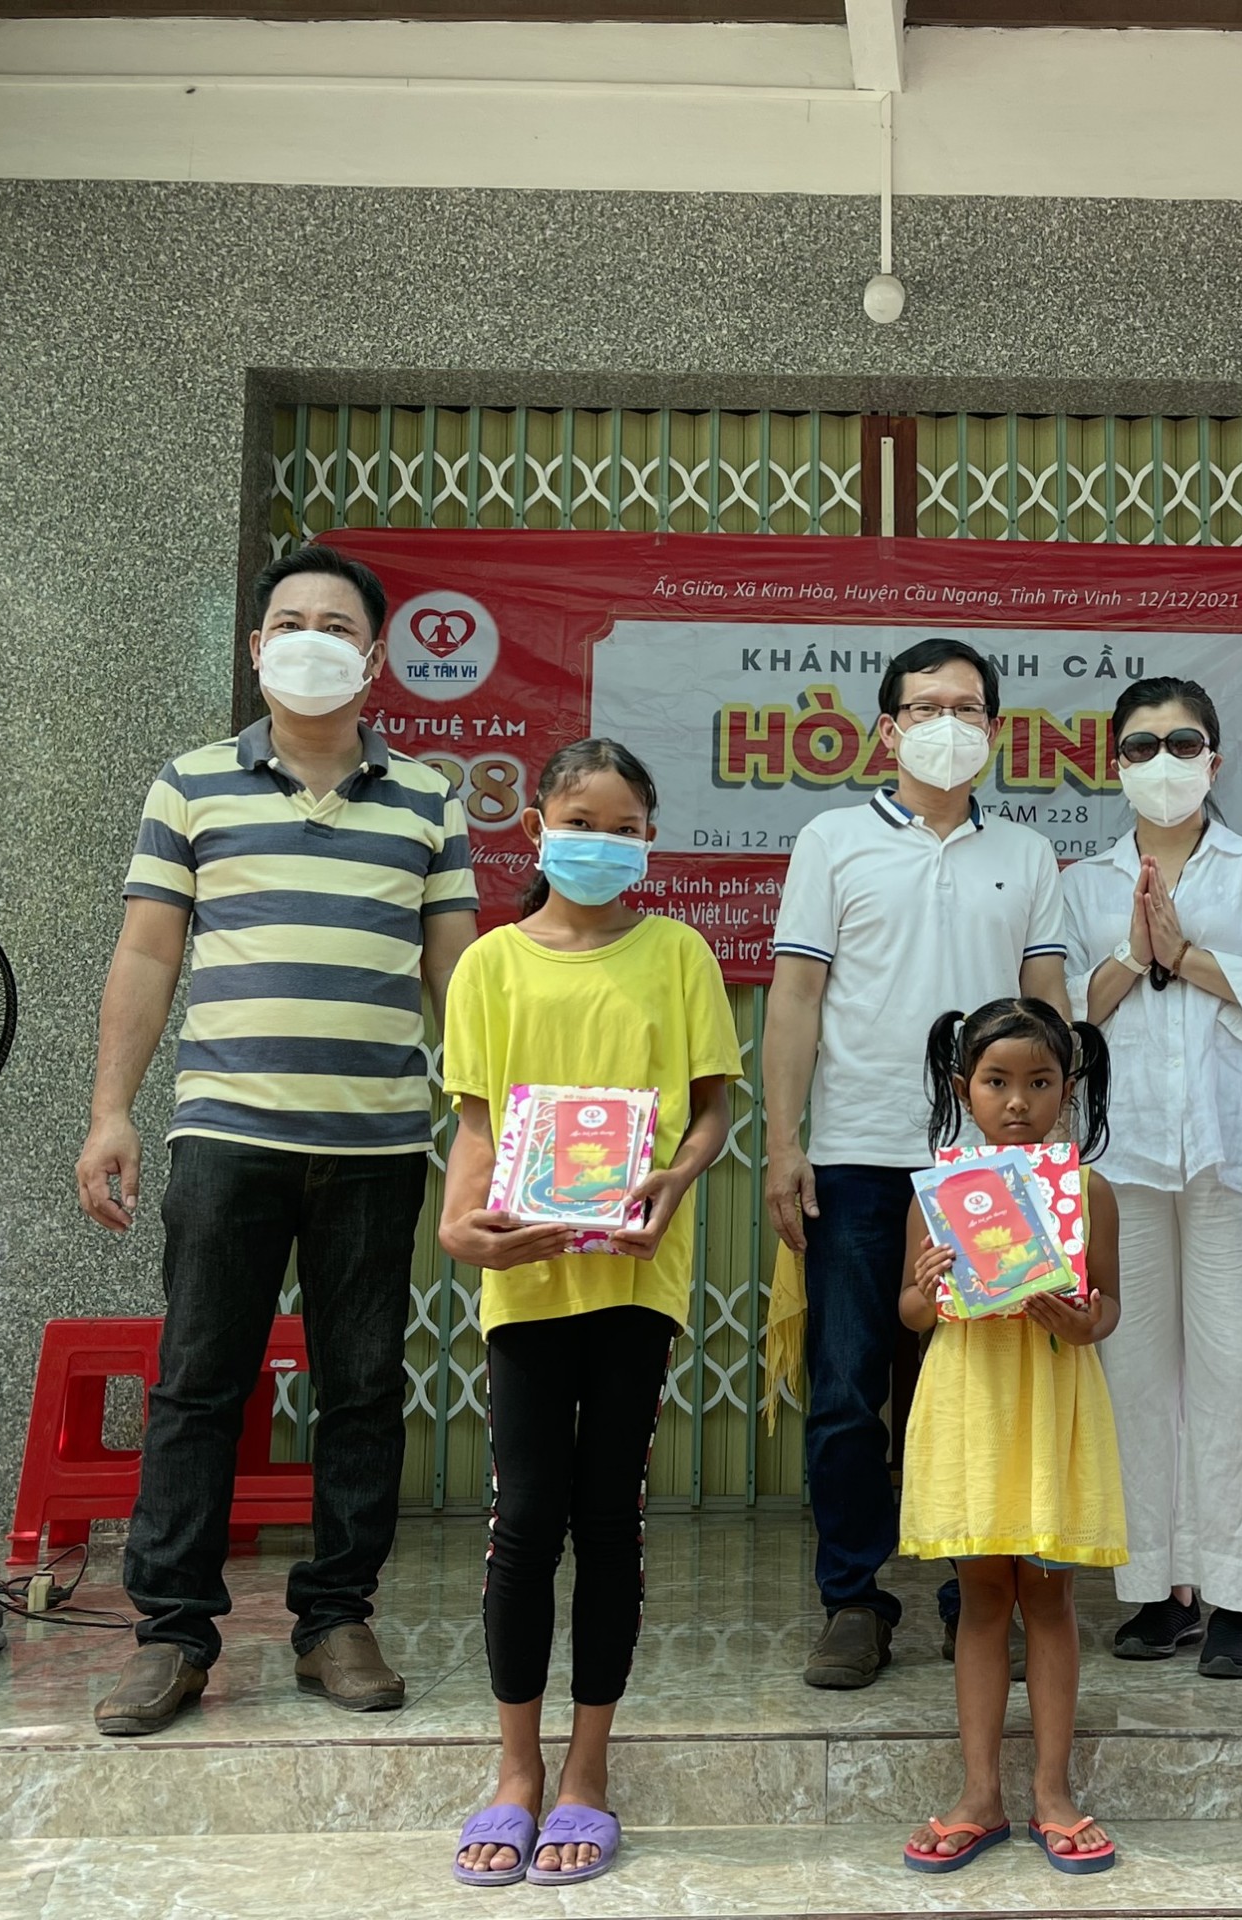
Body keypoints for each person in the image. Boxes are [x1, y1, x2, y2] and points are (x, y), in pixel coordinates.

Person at [76, 544, 479, 1737]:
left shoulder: (430, 798)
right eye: (290, 622)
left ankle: (336, 1618)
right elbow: (148, 952)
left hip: (375, 1143)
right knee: (199, 1382)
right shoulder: (190, 785)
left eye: (335, 625)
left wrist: (490, 1121)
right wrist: (111, 1110)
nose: (311, 641)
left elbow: (457, 975)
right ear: (257, 649)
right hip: (226, 1133)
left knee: (363, 1386)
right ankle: (173, 1632)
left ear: (375, 656)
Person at [440, 738, 741, 1888]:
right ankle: (516, 1769)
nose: (601, 843)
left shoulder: (679, 955)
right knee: (524, 1519)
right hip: (523, 1281)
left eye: (623, 827)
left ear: (648, 839)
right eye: (580, 821)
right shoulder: (489, 966)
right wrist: (458, 1225)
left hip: (634, 1276)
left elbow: (709, 1111)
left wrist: (679, 1178)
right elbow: (477, 1127)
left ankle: (588, 1770)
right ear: (535, 828)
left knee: (610, 1517)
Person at [763, 639, 1071, 1689]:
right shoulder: (833, 840)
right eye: (927, 708)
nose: (948, 725)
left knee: (970, 1390)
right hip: (856, 1157)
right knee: (849, 1394)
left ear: (995, 730)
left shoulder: (1027, 853)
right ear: (888, 729)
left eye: (968, 708)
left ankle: (969, 1599)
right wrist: (784, 1144)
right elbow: (796, 997)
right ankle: (853, 1599)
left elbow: (1046, 1004)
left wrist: (1052, 1151)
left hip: (982, 1171)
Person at [1062, 677, 1242, 1679]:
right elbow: (1057, 1014)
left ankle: (1239, 1597)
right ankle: (1160, 1588)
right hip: (1121, 1160)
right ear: (1115, 766)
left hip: (1241, 1154)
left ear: (1214, 760)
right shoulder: (1082, 884)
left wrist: (1188, 956)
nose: (1163, 761)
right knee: (1134, 1378)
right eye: (1141, 746)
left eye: (1183, 743)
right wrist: (1132, 956)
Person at [897, 998, 1124, 1875]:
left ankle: (1053, 1793)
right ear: (965, 1089)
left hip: (1050, 1402)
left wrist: (1079, 1320)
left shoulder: (1090, 1193)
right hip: (973, 1408)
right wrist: (926, 1285)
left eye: (1039, 1082)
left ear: (1069, 1088)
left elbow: (1108, 1307)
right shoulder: (938, 1194)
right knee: (983, 1599)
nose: (1018, 1101)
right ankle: (979, 1793)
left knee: (1052, 1600)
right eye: (997, 1082)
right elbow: (912, 1312)